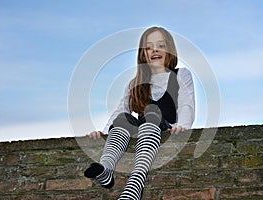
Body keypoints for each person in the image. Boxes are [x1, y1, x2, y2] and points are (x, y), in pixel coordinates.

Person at [84, 26, 195, 200]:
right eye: (149, 47)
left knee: (151, 111)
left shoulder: (181, 75)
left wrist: (182, 126)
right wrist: (104, 132)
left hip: (164, 127)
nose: (155, 50)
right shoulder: (135, 83)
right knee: (123, 118)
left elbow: (186, 104)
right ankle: (106, 170)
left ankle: (136, 184)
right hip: (143, 129)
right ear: (143, 54)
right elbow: (121, 109)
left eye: (161, 45)